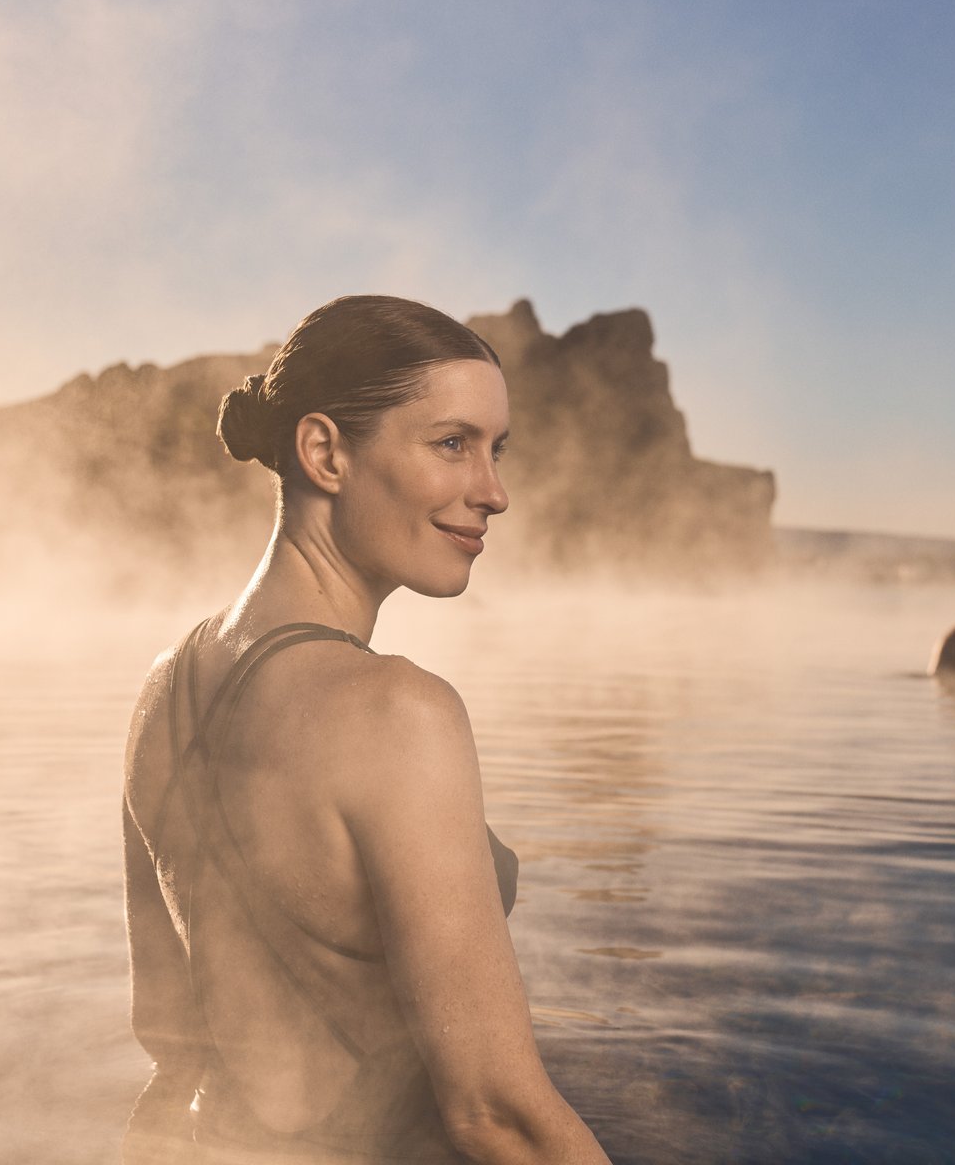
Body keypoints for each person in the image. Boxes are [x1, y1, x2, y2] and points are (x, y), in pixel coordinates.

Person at [120, 296, 608, 1164]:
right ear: (325, 453)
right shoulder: (398, 713)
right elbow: (497, 1115)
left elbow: (167, 1042)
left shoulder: (167, 687)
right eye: (451, 443)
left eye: (496, 450)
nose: (494, 493)